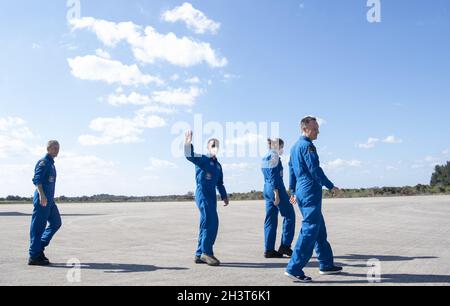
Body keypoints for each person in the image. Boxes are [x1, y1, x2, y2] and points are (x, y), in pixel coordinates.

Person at [285, 117, 342, 283]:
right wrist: (330, 186)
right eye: (315, 129)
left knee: (319, 228)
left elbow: (292, 171)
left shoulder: (294, 147)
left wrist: (293, 191)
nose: (318, 131)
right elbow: (315, 170)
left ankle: (326, 264)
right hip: (309, 191)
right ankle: (294, 268)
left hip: (302, 192)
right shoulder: (307, 146)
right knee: (310, 230)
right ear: (305, 129)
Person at [184, 130, 229, 266]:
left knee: (205, 223)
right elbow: (189, 155)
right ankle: (206, 252)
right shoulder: (203, 159)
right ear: (208, 147)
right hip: (202, 194)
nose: (214, 147)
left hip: (212, 197)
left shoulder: (218, 165)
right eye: (212, 145)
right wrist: (187, 143)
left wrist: (224, 196)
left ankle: (199, 254)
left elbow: (220, 183)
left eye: (216, 145)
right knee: (211, 221)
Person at [28, 140, 62, 266]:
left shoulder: (52, 164)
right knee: (38, 228)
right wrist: (42, 195)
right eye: (54, 148)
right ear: (48, 149)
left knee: (56, 223)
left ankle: (39, 247)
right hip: (42, 200)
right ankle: (34, 256)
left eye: (58, 148)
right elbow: (37, 179)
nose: (56, 150)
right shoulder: (44, 162)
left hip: (50, 201)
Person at [261, 138, 296, 258]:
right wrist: (276, 192)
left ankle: (269, 250)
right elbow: (273, 175)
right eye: (282, 147)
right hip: (276, 188)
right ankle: (285, 246)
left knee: (270, 219)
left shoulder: (265, 156)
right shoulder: (274, 157)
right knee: (289, 216)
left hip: (267, 188)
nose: (282, 149)